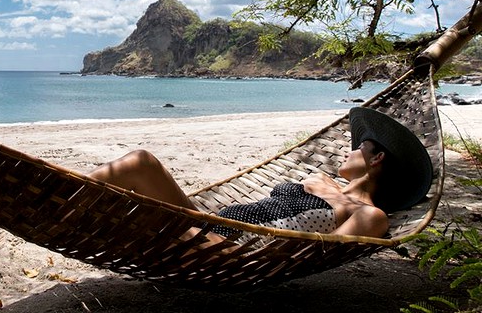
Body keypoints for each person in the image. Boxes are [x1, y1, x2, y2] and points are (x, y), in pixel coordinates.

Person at [88, 107, 433, 239]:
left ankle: (53, 203)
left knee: (131, 213)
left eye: (359, 146)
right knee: (141, 161)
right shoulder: (322, 181)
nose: (349, 149)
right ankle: (53, 192)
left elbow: (317, 251)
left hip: (235, 247)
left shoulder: (371, 215)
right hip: (209, 220)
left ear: (377, 159)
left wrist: (261, 258)